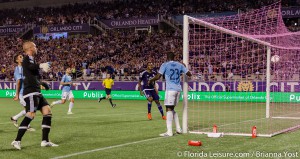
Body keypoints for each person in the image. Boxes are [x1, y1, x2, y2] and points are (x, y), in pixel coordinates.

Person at [11, 41, 58, 150]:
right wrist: (41, 65)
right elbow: (30, 67)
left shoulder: (32, 60)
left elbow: (32, 75)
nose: (37, 48)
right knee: (31, 114)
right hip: (31, 92)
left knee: (47, 111)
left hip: (37, 91)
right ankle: (16, 141)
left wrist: (42, 83)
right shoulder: (26, 59)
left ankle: (45, 141)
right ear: (30, 48)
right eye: (35, 46)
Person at [149, 52, 191, 137]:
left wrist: (150, 80)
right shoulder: (179, 65)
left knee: (168, 109)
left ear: (167, 57)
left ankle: (169, 132)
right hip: (178, 90)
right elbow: (189, 74)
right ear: (174, 57)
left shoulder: (164, 65)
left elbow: (158, 77)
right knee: (171, 109)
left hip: (170, 90)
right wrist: (183, 68)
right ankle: (179, 129)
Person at [10, 54, 35, 131]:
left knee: (31, 109)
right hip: (22, 93)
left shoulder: (25, 68)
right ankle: (27, 125)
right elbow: (18, 82)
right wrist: (17, 94)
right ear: (17, 60)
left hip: (28, 91)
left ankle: (14, 118)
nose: (22, 58)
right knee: (29, 110)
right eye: (20, 57)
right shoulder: (17, 69)